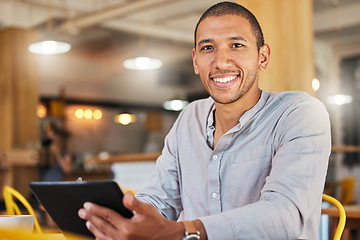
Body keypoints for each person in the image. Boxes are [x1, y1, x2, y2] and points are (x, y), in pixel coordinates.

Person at [78, 2, 331, 239]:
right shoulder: (190, 117)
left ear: (262, 57)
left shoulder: (299, 113)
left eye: (237, 45)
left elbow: (285, 214)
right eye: (208, 48)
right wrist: (119, 217)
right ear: (195, 61)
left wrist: (187, 231)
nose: (220, 62)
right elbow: (159, 200)